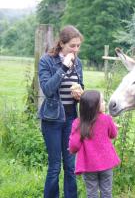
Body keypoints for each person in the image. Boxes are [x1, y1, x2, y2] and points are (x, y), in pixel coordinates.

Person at [38, 25, 84, 198]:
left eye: (78, 45)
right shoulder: (46, 61)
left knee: (71, 167)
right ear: (62, 43)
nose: (76, 49)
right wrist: (63, 68)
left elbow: (81, 85)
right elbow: (48, 90)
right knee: (55, 166)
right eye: (72, 45)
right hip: (52, 120)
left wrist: (80, 92)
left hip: (72, 119)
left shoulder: (78, 63)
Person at [69, 90, 120, 198]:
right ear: (94, 106)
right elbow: (113, 134)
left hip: (89, 165)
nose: (105, 103)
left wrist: (72, 150)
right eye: (102, 101)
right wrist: (114, 127)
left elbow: (74, 145)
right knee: (106, 192)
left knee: (91, 193)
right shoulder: (107, 119)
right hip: (106, 164)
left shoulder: (78, 123)